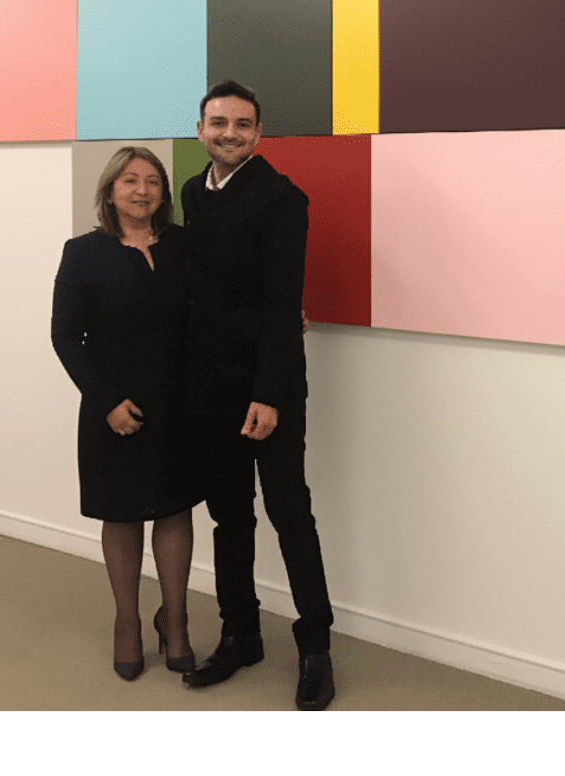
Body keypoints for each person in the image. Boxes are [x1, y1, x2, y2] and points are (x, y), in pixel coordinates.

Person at [179, 80, 335, 711]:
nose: (230, 134)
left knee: (290, 514)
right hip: (210, 388)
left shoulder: (282, 199)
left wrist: (267, 395)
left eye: (242, 124)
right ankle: (240, 635)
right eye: (219, 123)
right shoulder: (192, 193)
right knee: (229, 518)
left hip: (271, 390)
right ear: (200, 130)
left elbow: (282, 303)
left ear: (259, 134)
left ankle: (316, 647)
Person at [51, 146, 202, 681]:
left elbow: (220, 305)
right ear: (110, 191)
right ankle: (127, 622)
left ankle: (176, 621)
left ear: (164, 192)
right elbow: (65, 337)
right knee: (121, 514)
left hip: (179, 404)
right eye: (130, 180)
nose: (142, 190)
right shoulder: (82, 252)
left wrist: (281, 318)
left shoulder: (185, 245)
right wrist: (105, 402)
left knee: (175, 509)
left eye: (153, 181)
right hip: (112, 407)